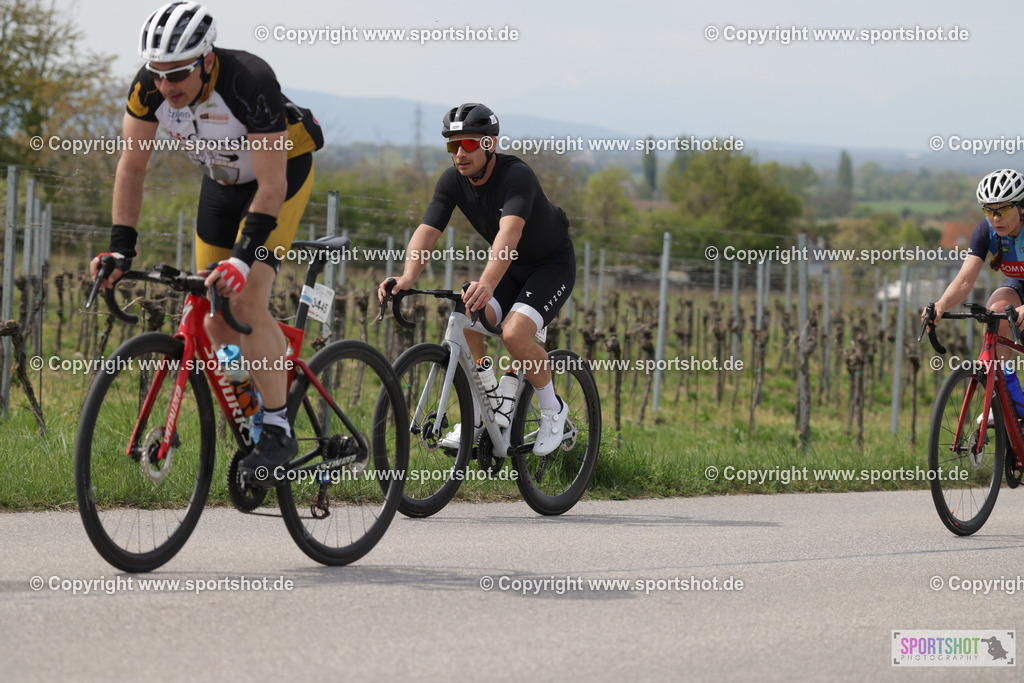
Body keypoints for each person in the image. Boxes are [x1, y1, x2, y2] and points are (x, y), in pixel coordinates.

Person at [89, 1, 322, 484]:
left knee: (246, 298)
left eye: (178, 74)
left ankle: (279, 428)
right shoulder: (147, 88)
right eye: (159, 73)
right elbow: (132, 167)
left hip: (279, 175)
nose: (166, 85)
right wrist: (120, 248)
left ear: (206, 61)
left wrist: (242, 259)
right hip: (220, 181)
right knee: (215, 317)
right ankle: (251, 408)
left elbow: (272, 186)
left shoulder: (249, 81)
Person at [377, 103, 575, 455]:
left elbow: (509, 235)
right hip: (512, 269)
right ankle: (489, 409)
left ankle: (553, 410)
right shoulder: (452, 181)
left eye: (468, 144)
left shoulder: (517, 176)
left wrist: (485, 283)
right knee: (468, 326)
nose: (460, 154)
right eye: (453, 146)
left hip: (550, 265)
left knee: (514, 334)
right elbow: (428, 230)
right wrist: (408, 276)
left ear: (489, 144)